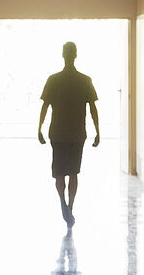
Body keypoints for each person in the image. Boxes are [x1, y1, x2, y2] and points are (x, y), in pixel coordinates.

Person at [38, 41, 99, 227]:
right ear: (76, 55)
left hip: (57, 133)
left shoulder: (53, 79)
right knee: (73, 173)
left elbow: (45, 106)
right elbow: (93, 108)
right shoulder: (85, 80)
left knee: (59, 173)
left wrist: (39, 128)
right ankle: (70, 206)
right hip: (77, 134)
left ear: (63, 55)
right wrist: (98, 131)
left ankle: (63, 204)